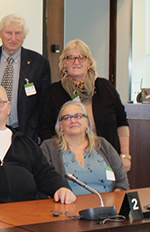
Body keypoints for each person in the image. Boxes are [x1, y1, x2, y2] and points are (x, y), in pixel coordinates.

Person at [38, 39, 131, 172]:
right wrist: (54, 155)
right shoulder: (54, 91)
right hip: (66, 160)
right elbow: (45, 126)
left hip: (107, 158)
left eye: (81, 57)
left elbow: (122, 123)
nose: (76, 62)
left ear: (89, 62)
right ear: (64, 63)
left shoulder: (105, 87)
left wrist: (125, 155)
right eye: (71, 58)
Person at [40, 99, 128, 196]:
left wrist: (114, 203)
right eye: (67, 118)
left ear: (87, 122)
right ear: (61, 125)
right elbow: (42, 183)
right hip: (67, 209)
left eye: (78, 116)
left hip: (106, 208)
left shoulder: (102, 144)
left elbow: (122, 183)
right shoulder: (48, 148)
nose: (73, 121)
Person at [0, 14, 51, 143]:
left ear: (24, 36)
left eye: (18, 33)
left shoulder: (39, 62)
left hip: (26, 133)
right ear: (0, 34)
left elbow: (44, 102)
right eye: (8, 33)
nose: (13, 38)